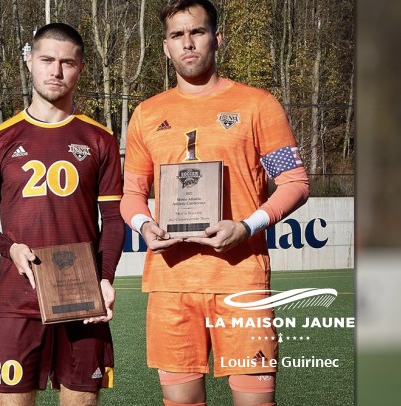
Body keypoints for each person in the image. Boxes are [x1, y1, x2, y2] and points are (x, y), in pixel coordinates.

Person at [120, 1, 310, 405]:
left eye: (197, 32)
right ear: (166, 47)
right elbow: (132, 192)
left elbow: (294, 183)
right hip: (171, 285)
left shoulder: (259, 105)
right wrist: (142, 225)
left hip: (240, 281)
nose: (187, 43)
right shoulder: (146, 114)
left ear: (216, 38)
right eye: (177, 35)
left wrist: (247, 226)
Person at [0, 23, 125, 405]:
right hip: (20, 300)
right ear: (29, 61)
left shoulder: (100, 138)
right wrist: (9, 248)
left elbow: (114, 221)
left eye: (67, 62)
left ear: (80, 68)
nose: (56, 71)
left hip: (84, 300)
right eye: (47, 60)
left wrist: (104, 279)